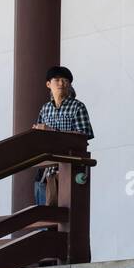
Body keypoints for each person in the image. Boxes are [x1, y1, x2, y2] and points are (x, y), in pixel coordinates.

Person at [31, 65, 94, 206]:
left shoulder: (78, 106)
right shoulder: (45, 109)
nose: (61, 83)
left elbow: (83, 136)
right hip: (48, 170)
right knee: (45, 219)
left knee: (67, 215)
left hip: (69, 168)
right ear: (48, 84)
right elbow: (39, 137)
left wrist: (51, 130)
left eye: (65, 80)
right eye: (57, 80)